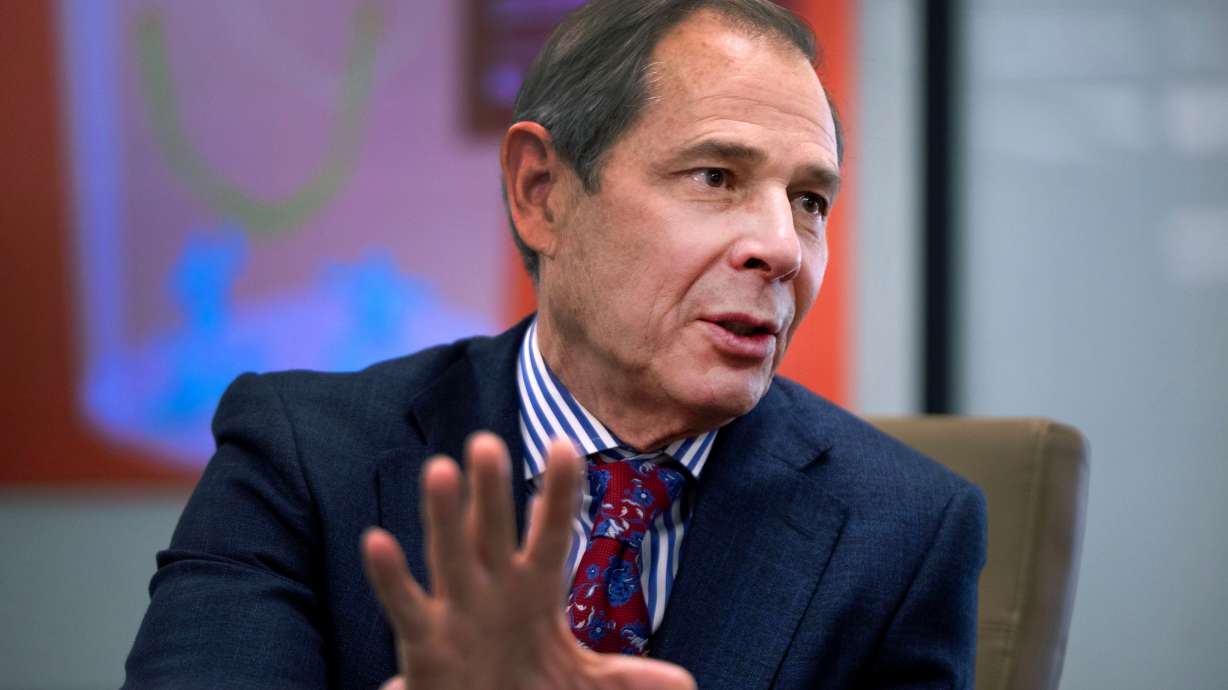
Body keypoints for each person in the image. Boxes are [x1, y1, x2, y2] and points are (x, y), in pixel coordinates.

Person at [123, 1, 987, 688]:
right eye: (716, 177)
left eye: (810, 200)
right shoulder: (305, 457)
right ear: (542, 194)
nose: (783, 248)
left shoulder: (902, 528)